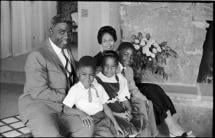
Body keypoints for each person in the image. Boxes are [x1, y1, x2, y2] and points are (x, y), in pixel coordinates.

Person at [18, 14, 93, 137]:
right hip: (41, 105)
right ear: (51, 31)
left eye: (69, 33)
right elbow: (39, 92)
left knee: (87, 126)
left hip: (64, 107)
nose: (67, 37)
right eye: (62, 32)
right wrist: (70, 97)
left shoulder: (66, 49)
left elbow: (71, 69)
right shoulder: (37, 56)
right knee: (52, 135)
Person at [117, 42, 195, 137]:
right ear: (118, 53)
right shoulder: (113, 68)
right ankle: (171, 129)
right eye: (126, 54)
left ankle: (172, 126)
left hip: (132, 91)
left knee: (154, 91)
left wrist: (144, 99)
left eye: (131, 56)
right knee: (147, 99)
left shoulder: (128, 69)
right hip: (123, 98)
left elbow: (133, 88)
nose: (129, 58)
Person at [95, 50, 158, 137]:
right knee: (122, 129)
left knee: (138, 119)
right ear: (102, 66)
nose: (109, 70)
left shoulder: (120, 79)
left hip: (120, 108)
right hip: (107, 112)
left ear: (117, 67)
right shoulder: (96, 80)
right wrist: (119, 115)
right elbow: (100, 107)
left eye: (112, 67)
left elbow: (124, 99)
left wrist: (129, 111)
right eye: (106, 66)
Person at [63, 56, 124, 137]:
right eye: (84, 74)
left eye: (91, 75)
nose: (87, 78)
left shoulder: (98, 87)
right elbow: (66, 109)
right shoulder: (75, 89)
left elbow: (106, 108)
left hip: (103, 119)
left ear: (95, 74)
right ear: (78, 73)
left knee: (119, 134)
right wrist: (81, 114)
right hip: (90, 121)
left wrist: (116, 124)